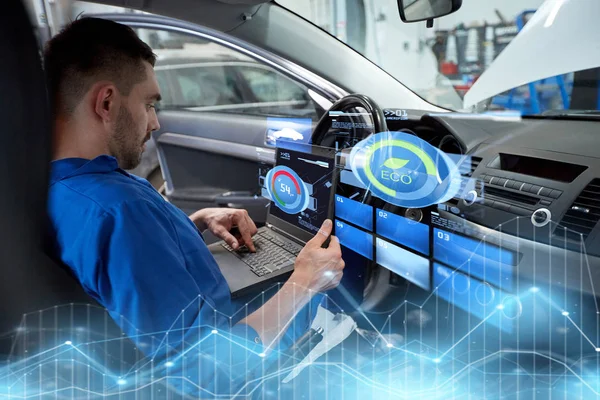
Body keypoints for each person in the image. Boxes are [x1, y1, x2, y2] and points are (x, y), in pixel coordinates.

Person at [44, 17, 345, 394]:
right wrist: (305, 283)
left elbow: (122, 266)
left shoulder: (58, 187)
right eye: (149, 103)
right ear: (106, 102)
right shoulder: (121, 211)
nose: (154, 122)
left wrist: (191, 224)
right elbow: (203, 374)